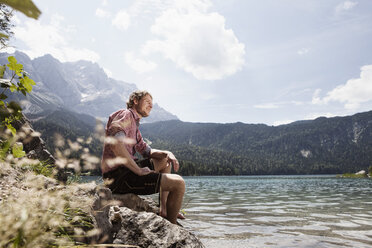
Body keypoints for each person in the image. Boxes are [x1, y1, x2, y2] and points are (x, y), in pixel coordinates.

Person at [101, 90, 185, 224]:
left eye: (152, 104)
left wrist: (167, 153)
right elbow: (116, 144)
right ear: (135, 100)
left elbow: (147, 151)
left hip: (124, 172)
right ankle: (172, 227)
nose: (151, 106)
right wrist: (138, 170)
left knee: (164, 160)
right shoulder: (126, 114)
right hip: (118, 176)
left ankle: (164, 209)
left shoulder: (135, 125)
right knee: (179, 184)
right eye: (147, 102)